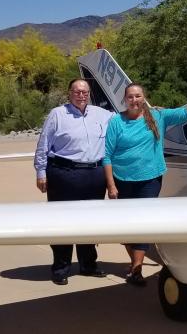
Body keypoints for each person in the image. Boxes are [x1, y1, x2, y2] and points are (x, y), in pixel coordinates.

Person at [103, 83, 187, 286]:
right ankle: (134, 262)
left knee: (143, 222)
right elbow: (107, 155)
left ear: (144, 97)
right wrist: (111, 185)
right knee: (125, 224)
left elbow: (184, 113)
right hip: (121, 180)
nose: (134, 100)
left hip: (150, 179)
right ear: (125, 100)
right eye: (130, 97)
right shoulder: (117, 121)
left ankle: (137, 268)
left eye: (138, 96)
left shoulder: (158, 117)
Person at [34, 78, 114, 285]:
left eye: (85, 92)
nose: (81, 95)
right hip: (64, 173)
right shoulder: (57, 114)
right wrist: (41, 172)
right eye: (77, 91)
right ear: (69, 93)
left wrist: (152, 110)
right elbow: (44, 144)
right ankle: (61, 268)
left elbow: (127, 117)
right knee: (62, 222)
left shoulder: (102, 114)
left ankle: (88, 265)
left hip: (94, 175)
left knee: (90, 222)